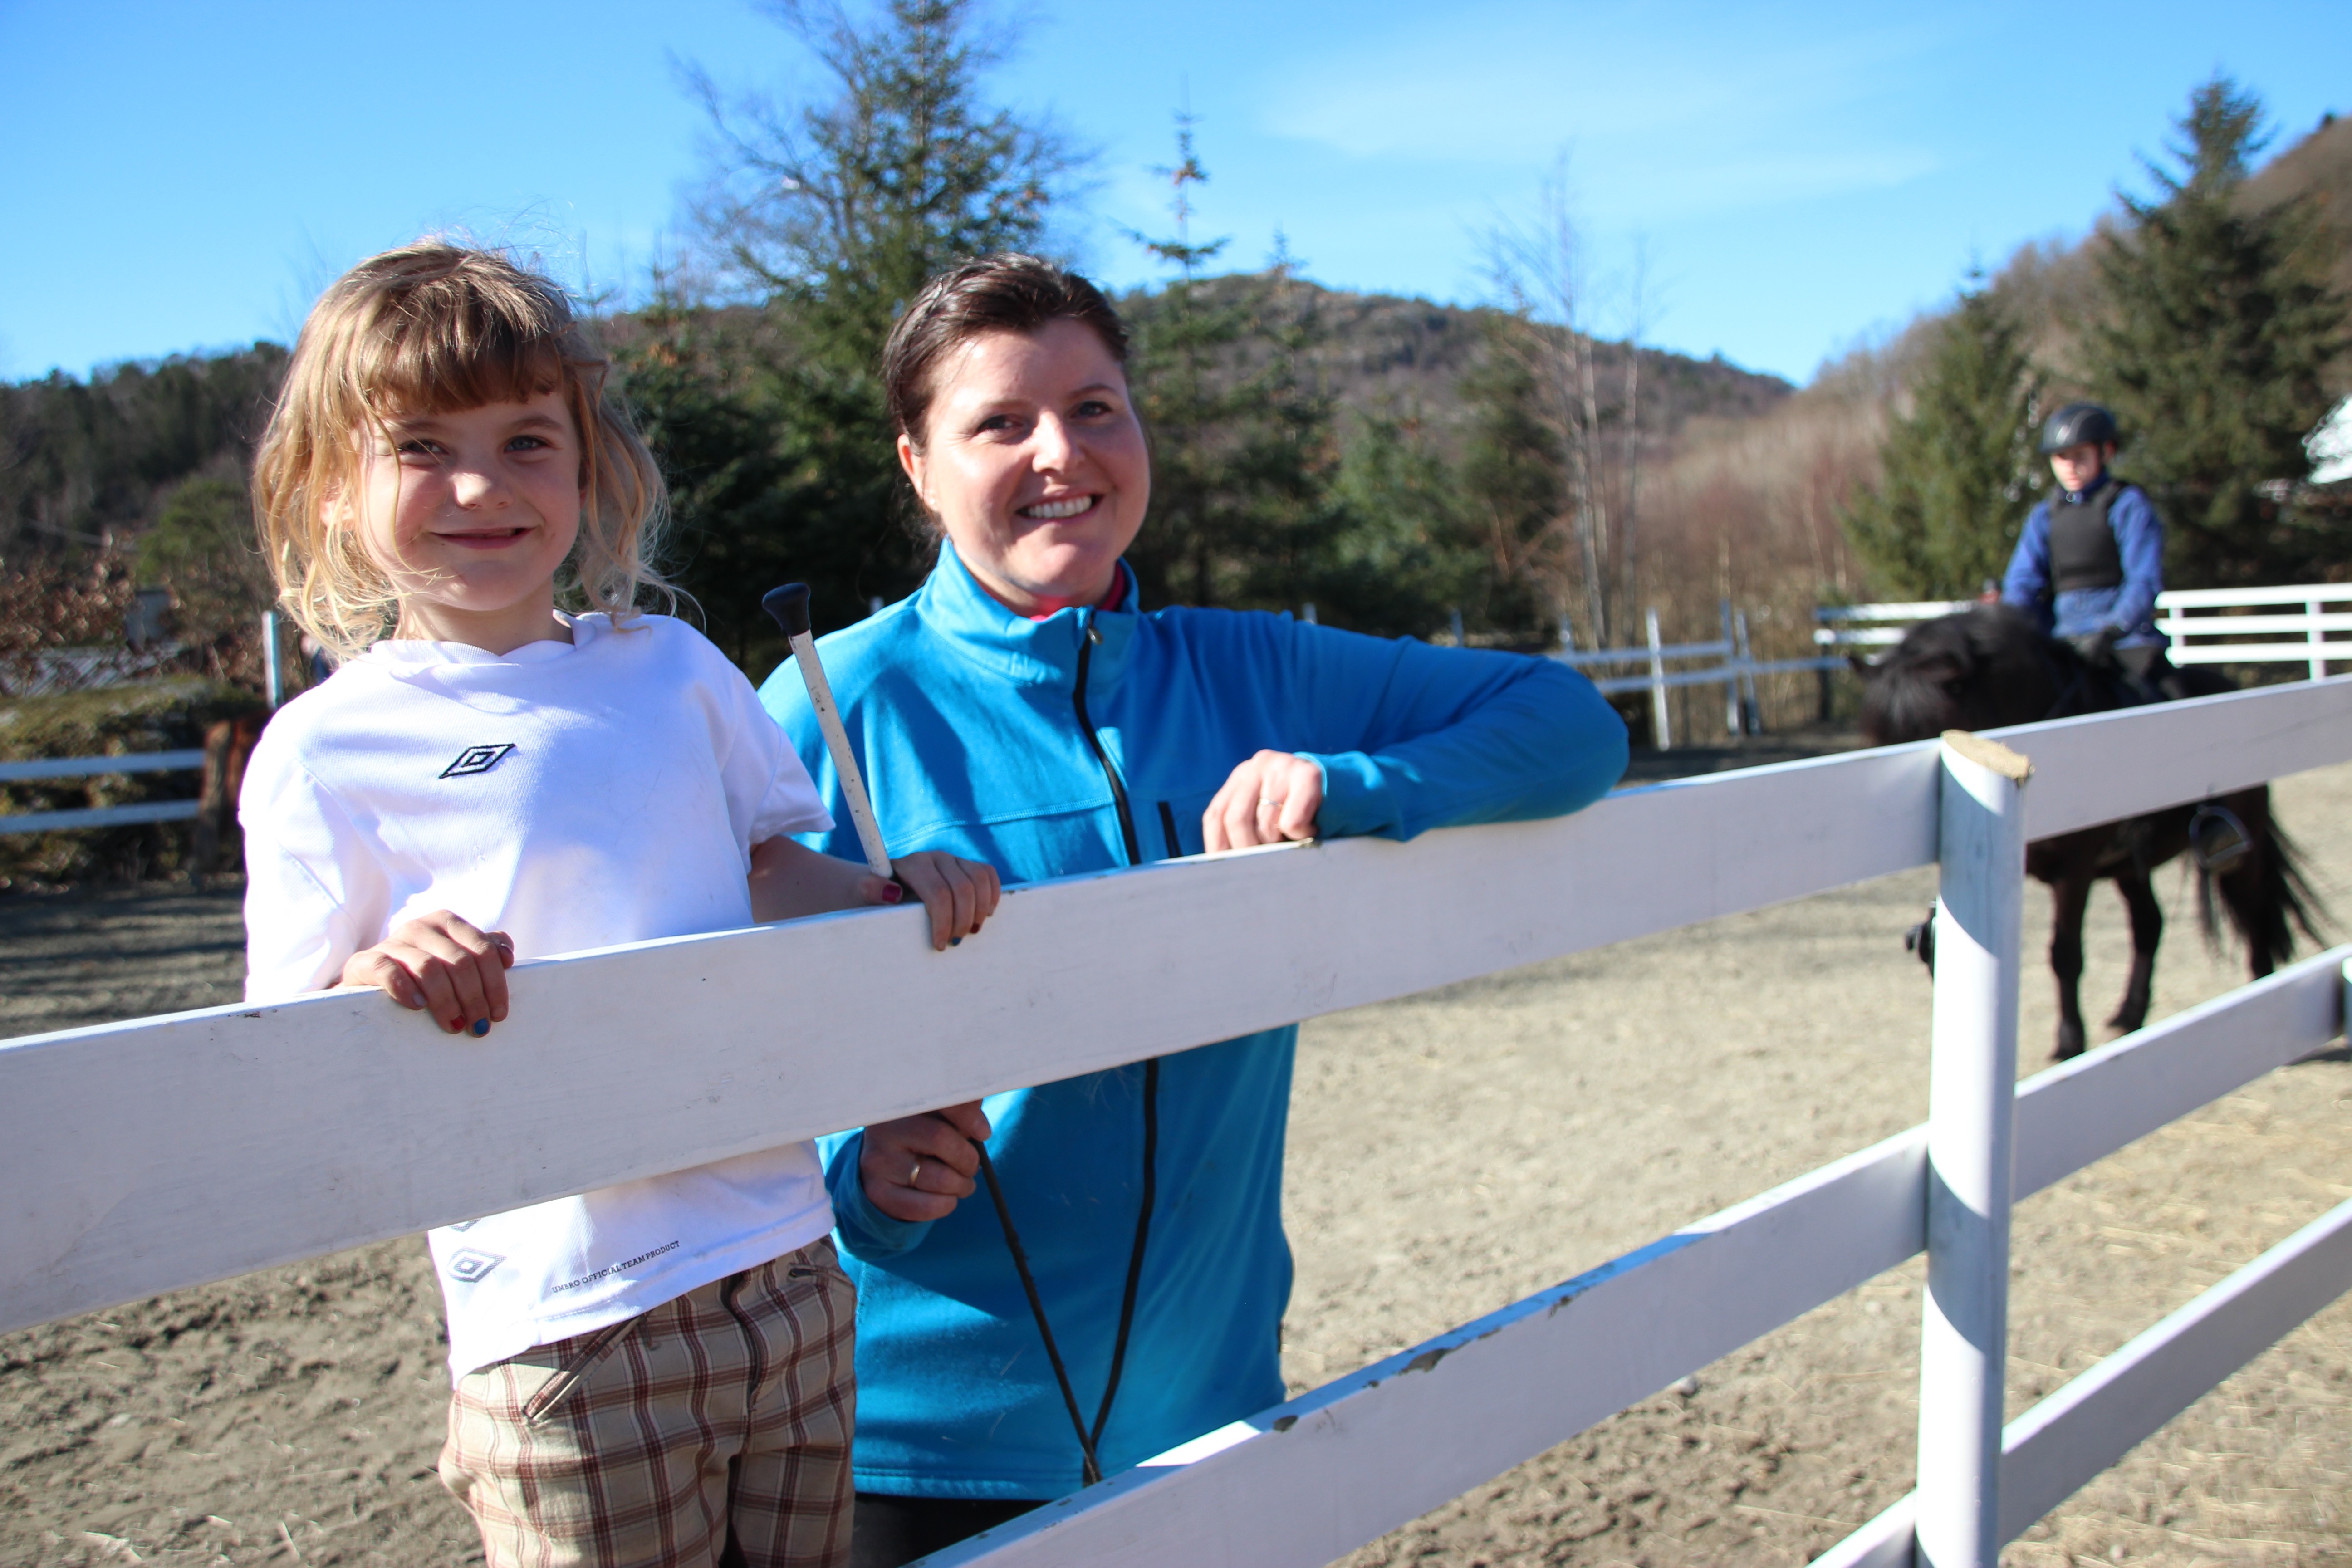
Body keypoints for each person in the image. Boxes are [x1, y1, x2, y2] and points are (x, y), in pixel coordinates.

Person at [757, 254, 1630, 1567]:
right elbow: (712, 1027)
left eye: (1094, 408)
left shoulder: (1251, 668)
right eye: (1001, 423)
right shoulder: (835, 705)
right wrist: (859, 1173)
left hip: (1211, 1408)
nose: (1062, 453)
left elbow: (1569, 726)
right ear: (917, 466)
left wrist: (1348, 784)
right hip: (914, 1443)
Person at [237, 242, 1002, 1568]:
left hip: (789, 1266)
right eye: (421, 448)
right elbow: (283, 1037)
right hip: (566, 1316)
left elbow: (764, 871)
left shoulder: (673, 670)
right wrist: (380, 969)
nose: (482, 485)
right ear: (329, 486)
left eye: (526, 441)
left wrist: (891, 889)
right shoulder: (323, 749)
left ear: (588, 466)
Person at [1999, 401, 2186, 699]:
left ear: (2106, 452)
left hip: (2125, 642)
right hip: (2063, 643)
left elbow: (2144, 580)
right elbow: (2022, 582)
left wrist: (2113, 629)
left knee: (2166, 698)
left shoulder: (2128, 505)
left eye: (2080, 456)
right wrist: (2012, 627)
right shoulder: (2044, 516)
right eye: (2062, 457)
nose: (2070, 466)